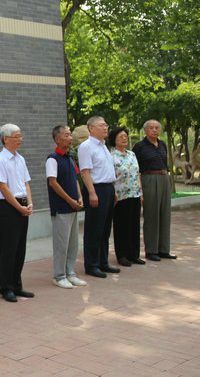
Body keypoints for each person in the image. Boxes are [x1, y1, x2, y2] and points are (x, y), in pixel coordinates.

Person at [0, 124, 34, 302]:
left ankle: (17, 285)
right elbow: (3, 187)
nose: (20, 139)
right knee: (9, 248)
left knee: (20, 248)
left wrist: (29, 203)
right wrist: (19, 207)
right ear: (6, 139)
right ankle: (6, 288)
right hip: (9, 207)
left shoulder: (20, 159)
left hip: (22, 205)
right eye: (16, 136)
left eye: (20, 136)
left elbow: (26, 183)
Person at [77, 116, 120, 278]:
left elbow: (107, 171)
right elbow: (85, 171)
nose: (105, 128)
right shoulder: (86, 146)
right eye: (101, 125)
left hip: (108, 188)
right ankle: (92, 264)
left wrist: (113, 190)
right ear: (91, 128)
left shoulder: (104, 146)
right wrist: (92, 192)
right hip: (96, 189)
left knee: (105, 228)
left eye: (106, 125)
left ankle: (103, 262)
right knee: (94, 228)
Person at [45, 125, 87, 289]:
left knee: (73, 243)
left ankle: (70, 273)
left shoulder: (70, 157)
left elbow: (75, 179)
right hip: (61, 208)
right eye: (67, 135)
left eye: (70, 135)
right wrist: (69, 200)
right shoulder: (52, 159)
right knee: (61, 244)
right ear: (57, 139)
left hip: (73, 207)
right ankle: (59, 275)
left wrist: (80, 197)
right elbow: (53, 183)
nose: (70, 138)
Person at [132, 120, 176, 260]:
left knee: (165, 214)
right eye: (151, 128)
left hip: (164, 179)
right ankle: (151, 250)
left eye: (157, 128)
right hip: (149, 179)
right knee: (151, 215)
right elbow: (135, 169)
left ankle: (164, 249)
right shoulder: (139, 147)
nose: (155, 130)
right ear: (145, 130)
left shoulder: (162, 144)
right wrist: (139, 188)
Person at [108, 126, 145, 267]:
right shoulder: (111, 156)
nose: (124, 139)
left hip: (135, 193)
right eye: (120, 137)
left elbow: (137, 173)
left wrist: (141, 192)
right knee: (121, 225)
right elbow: (110, 177)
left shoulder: (132, 154)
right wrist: (114, 193)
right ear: (114, 140)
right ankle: (122, 255)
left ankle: (134, 254)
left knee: (134, 224)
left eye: (125, 136)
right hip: (121, 196)